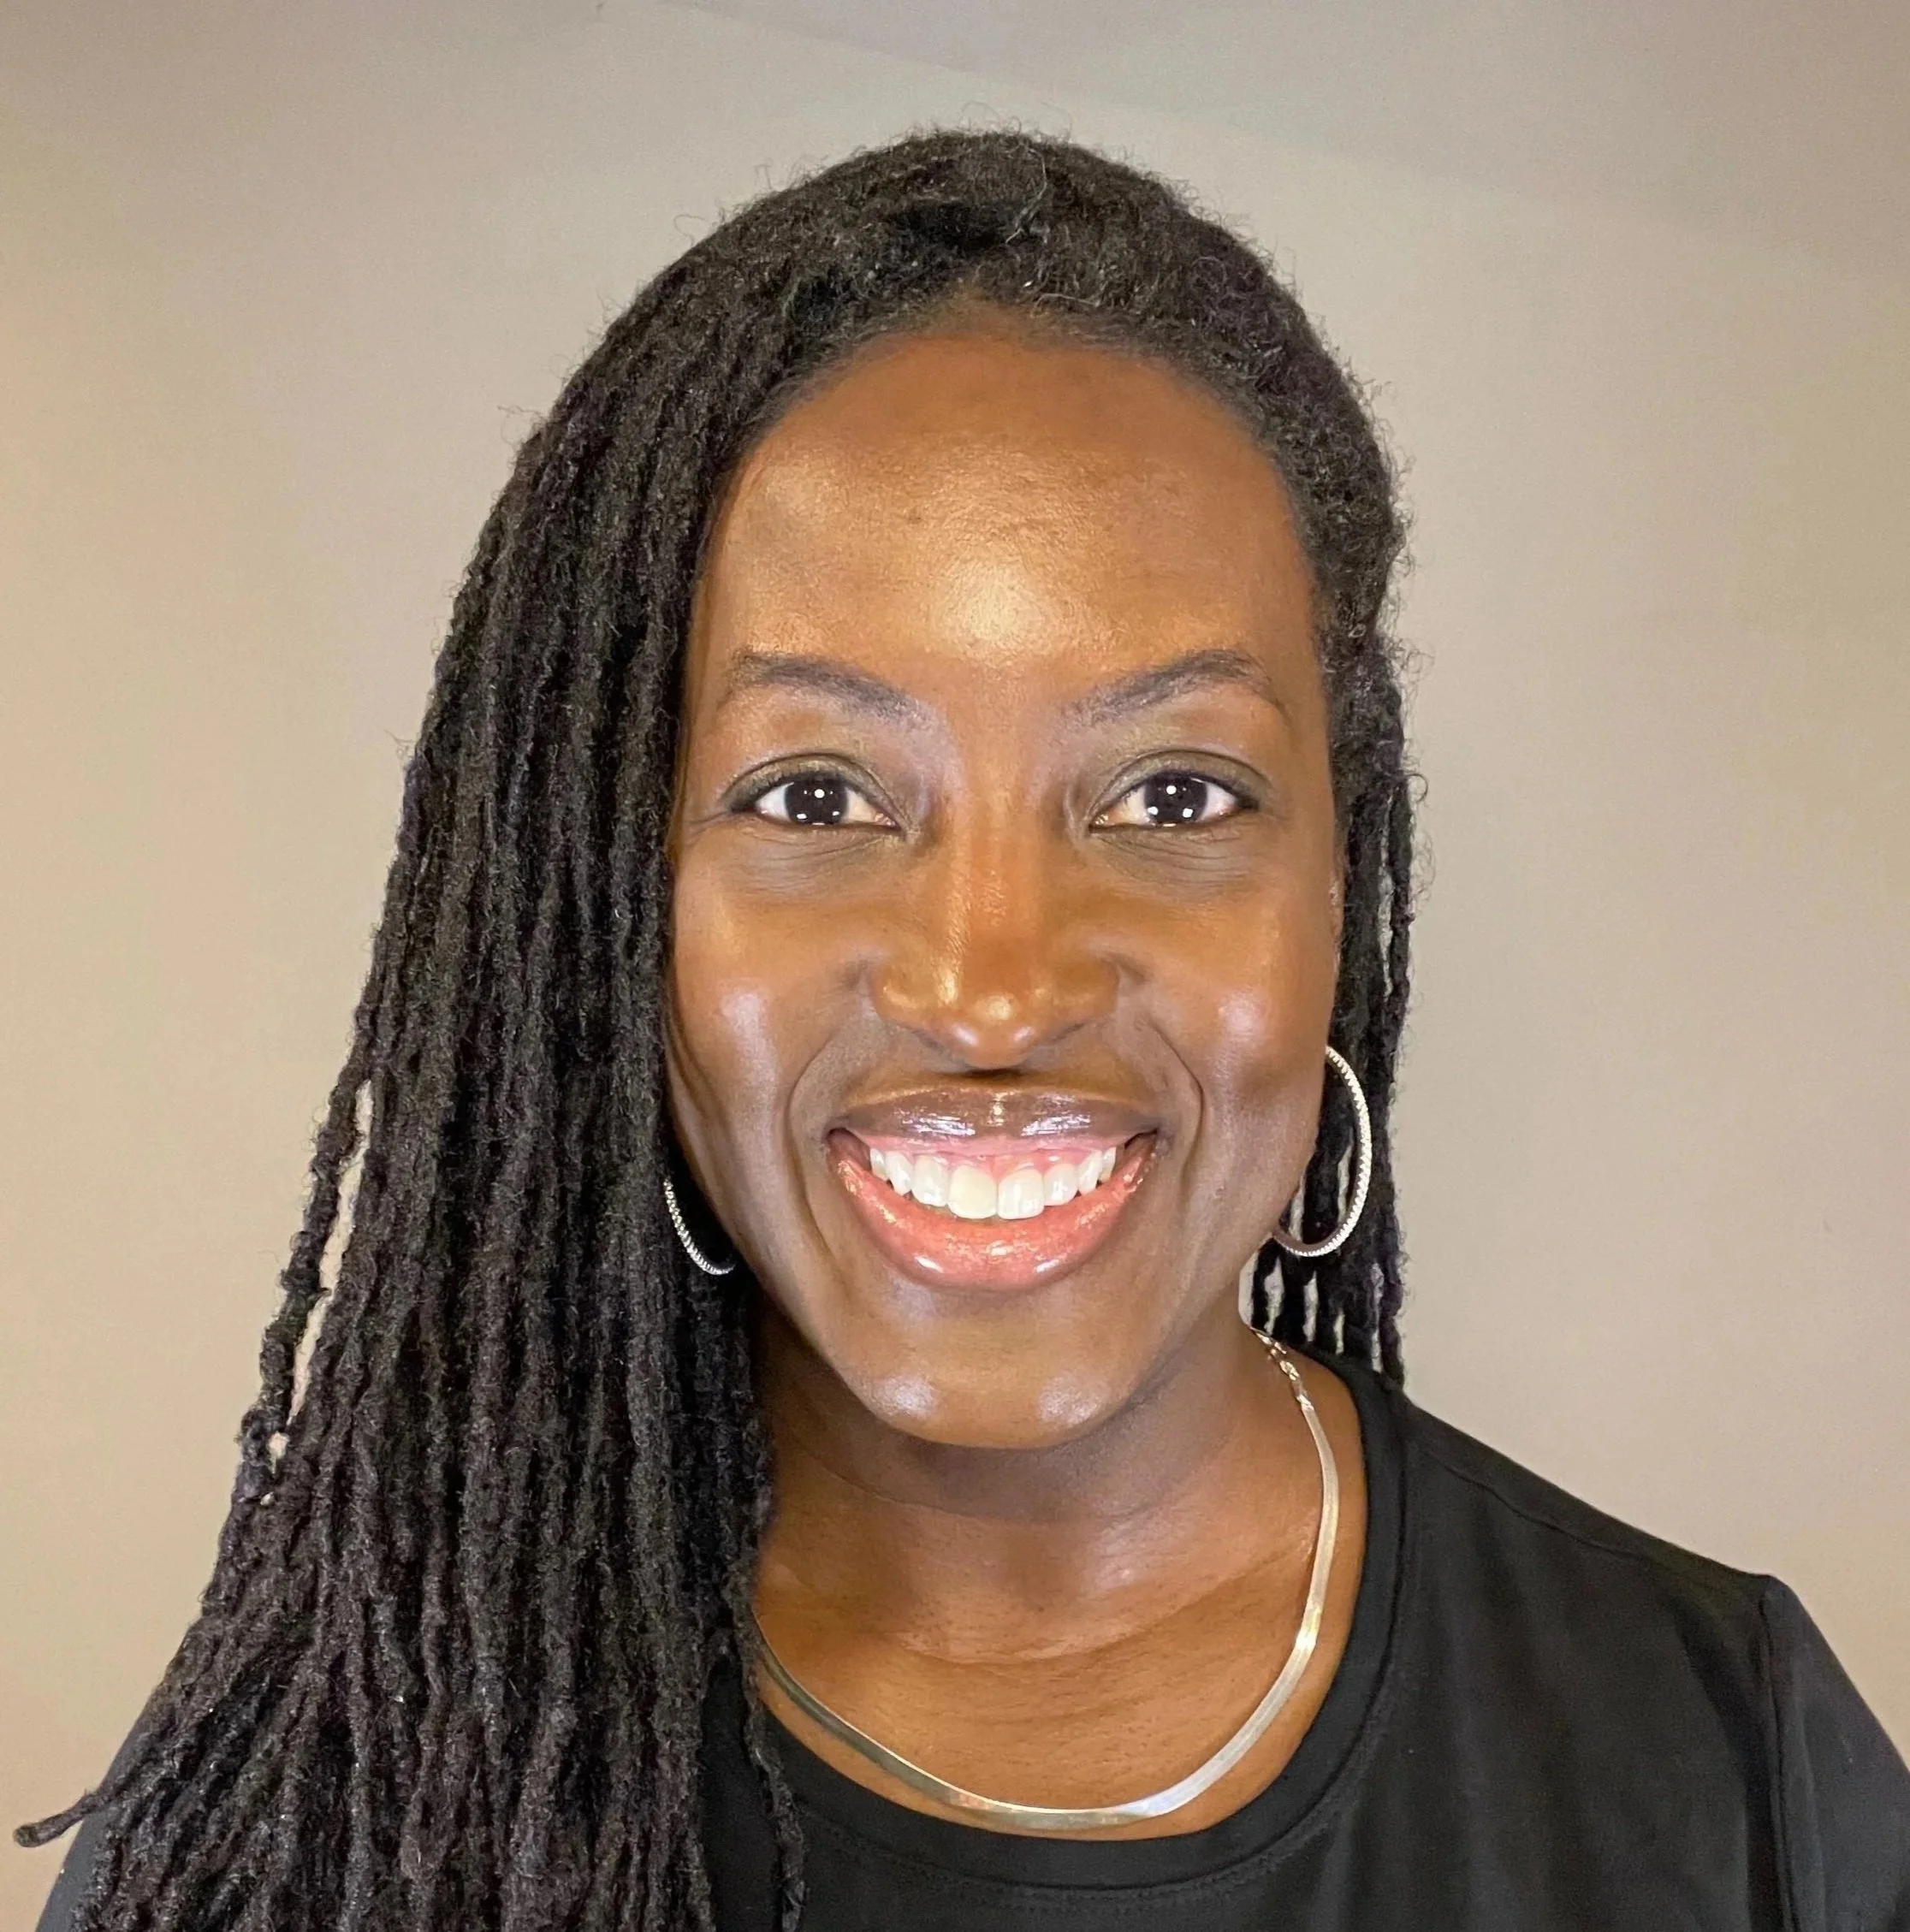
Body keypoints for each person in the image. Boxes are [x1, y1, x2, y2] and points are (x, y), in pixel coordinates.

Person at [23, 129, 1909, 1932]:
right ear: (613, 906)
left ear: (1338, 882)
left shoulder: (1726, 1764)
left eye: (1173, 795)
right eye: (818, 796)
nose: (995, 989)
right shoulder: (337, 1803)